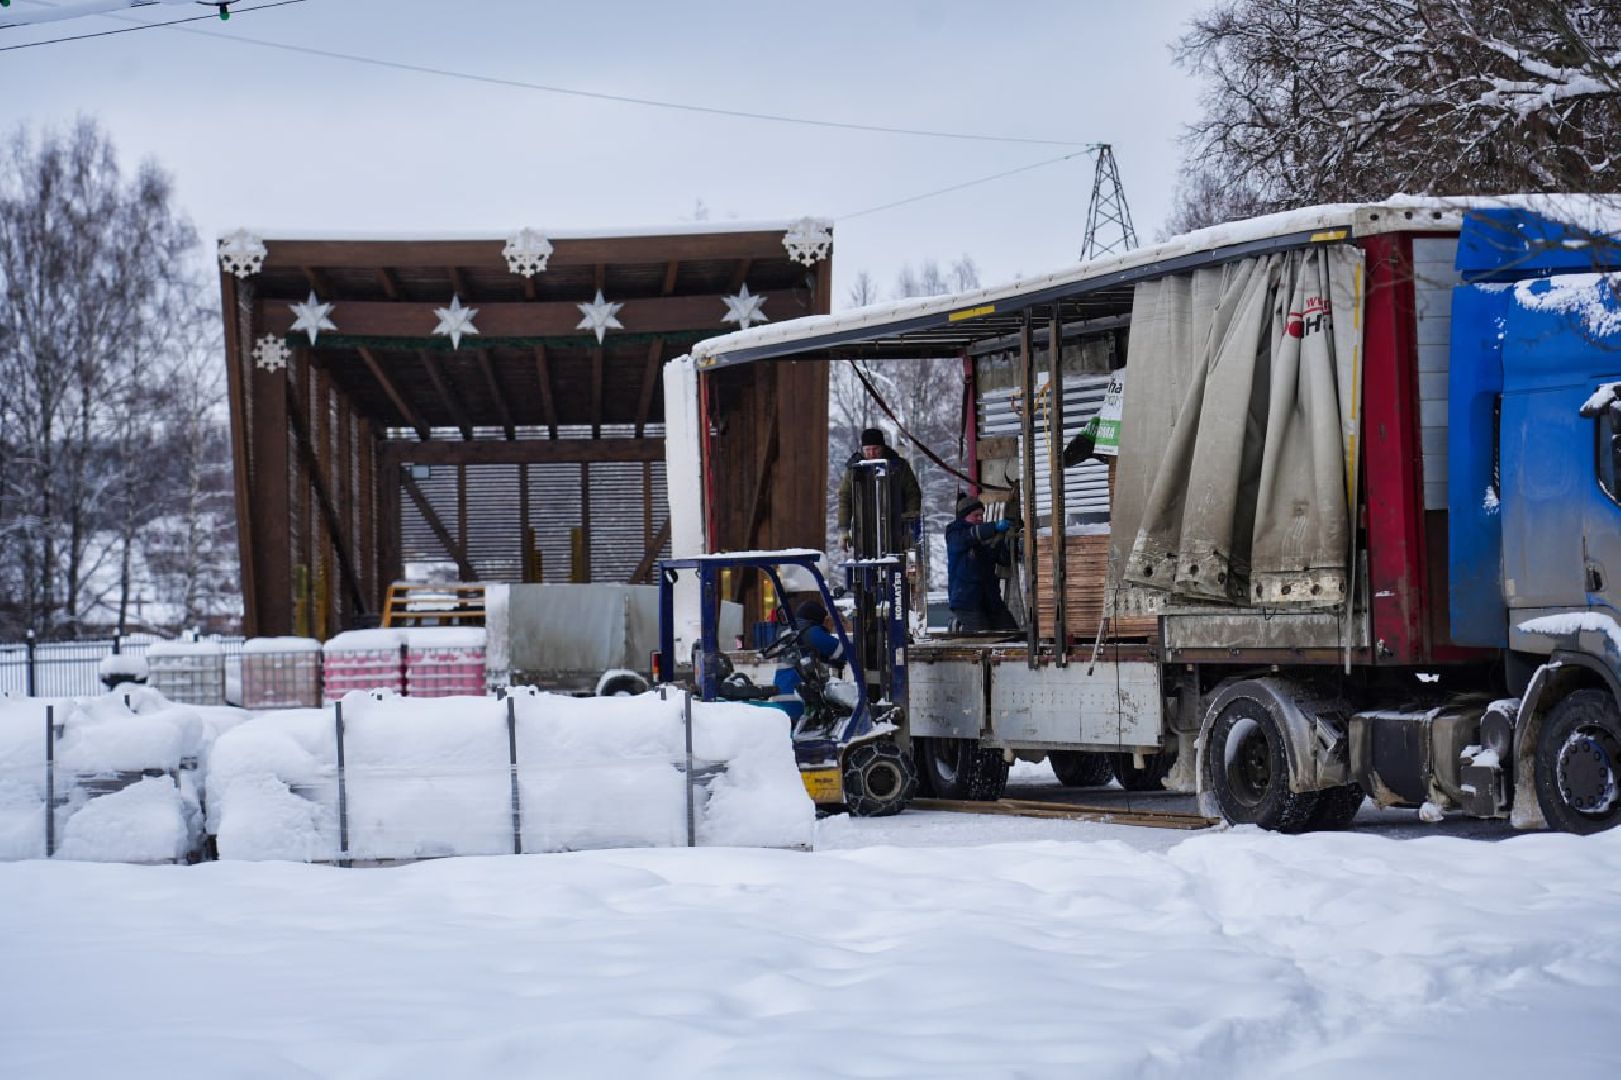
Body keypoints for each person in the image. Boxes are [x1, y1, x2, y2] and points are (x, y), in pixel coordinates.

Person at [837, 427, 922, 555]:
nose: (872, 454)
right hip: (864, 538)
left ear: (882, 448)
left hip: (895, 535)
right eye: (868, 450)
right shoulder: (854, 470)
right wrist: (844, 530)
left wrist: (908, 527)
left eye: (875, 449)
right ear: (862, 450)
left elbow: (913, 495)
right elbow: (845, 499)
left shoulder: (898, 467)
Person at [945, 495, 1019, 632]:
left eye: (981, 515)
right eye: (976, 515)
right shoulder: (955, 533)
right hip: (967, 602)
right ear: (964, 516)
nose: (980, 519)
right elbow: (972, 535)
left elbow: (1005, 560)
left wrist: (1008, 542)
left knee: (1013, 634)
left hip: (991, 601)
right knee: (980, 641)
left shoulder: (986, 536)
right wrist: (994, 528)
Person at [769, 599, 847, 722]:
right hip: (801, 699)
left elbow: (808, 654)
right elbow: (843, 651)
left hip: (782, 697)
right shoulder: (810, 631)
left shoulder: (788, 632)